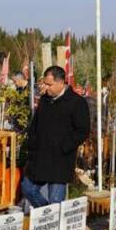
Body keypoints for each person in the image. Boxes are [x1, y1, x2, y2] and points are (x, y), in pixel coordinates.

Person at [18, 66, 90, 208]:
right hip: (40, 158)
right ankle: (46, 214)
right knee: (27, 188)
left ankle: (52, 221)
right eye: (45, 83)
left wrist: (64, 146)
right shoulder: (45, 100)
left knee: (55, 202)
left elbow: (82, 131)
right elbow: (35, 125)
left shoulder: (77, 102)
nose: (45, 87)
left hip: (60, 161)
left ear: (61, 82)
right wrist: (31, 144)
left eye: (49, 84)